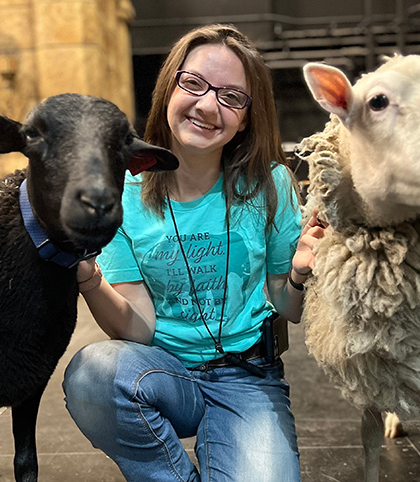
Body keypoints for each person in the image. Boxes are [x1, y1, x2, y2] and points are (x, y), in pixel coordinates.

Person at [62, 24, 324, 482]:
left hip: (248, 376)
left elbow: (289, 308)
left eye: (231, 97)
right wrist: (89, 279)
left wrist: (299, 273)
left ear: (246, 117)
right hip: (164, 375)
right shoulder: (124, 196)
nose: (207, 106)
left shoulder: (271, 184)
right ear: (169, 89)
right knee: (93, 373)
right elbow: (138, 327)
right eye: (194, 84)